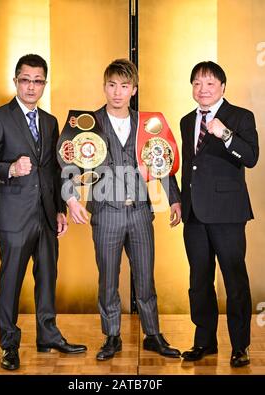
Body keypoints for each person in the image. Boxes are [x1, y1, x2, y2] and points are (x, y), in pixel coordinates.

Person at [62, 58, 182, 361]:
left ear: (134, 89)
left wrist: (175, 199)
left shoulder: (148, 123)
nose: (117, 92)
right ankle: (112, 336)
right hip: (105, 212)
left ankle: (153, 334)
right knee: (108, 279)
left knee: (145, 277)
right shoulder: (87, 123)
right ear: (104, 87)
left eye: (124, 86)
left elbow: (162, 161)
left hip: (141, 211)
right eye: (112, 85)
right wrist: (71, 198)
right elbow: (68, 161)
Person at [0, 54, 87, 371]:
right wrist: (10, 168)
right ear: (16, 81)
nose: (31, 86)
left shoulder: (51, 122)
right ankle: (9, 346)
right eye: (25, 79)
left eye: (38, 80)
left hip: (45, 215)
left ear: (44, 84)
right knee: (10, 282)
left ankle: (48, 335)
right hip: (13, 218)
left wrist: (59, 210)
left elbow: (53, 172)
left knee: (47, 278)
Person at [180, 61, 259, 367]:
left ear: (223, 87)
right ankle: (204, 341)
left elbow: (251, 157)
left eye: (210, 83)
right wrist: (179, 202)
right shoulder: (188, 120)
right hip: (194, 214)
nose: (203, 89)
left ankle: (240, 346)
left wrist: (226, 135)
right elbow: (190, 166)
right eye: (197, 83)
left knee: (234, 280)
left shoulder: (240, 116)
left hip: (227, 214)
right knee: (199, 280)